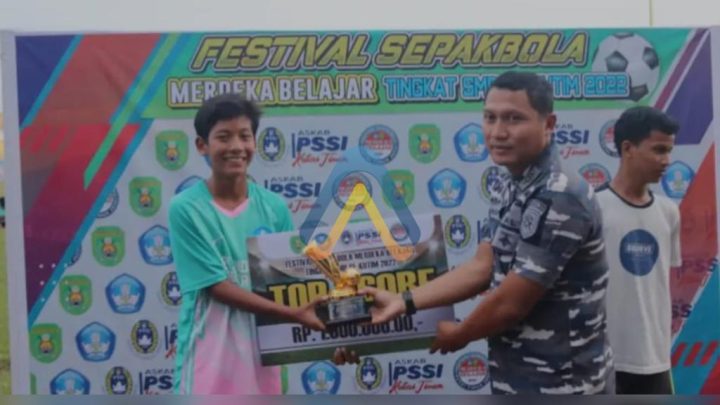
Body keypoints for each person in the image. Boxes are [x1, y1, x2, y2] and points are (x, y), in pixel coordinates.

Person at [335, 71, 613, 394]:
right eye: (490, 118)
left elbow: (511, 304)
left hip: (565, 385)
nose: (498, 132)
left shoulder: (560, 194)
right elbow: (482, 266)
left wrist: (459, 333)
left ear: (548, 124)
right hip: (518, 379)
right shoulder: (509, 182)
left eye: (514, 119)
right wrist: (402, 301)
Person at [168, 94, 325, 394]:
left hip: (265, 365)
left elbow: (289, 284)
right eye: (223, 137)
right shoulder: (186, 208)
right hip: (209, 366)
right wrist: (294, 315)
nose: (236, 147)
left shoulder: (274, 208)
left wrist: (337, 329)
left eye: (245, 136)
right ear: (202, 145)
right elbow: (216, 286)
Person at [596, 106, 681, 394]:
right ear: (628, 148)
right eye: (658, 150)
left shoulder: (669, 212)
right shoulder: (592, 209)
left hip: (655, 361)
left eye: (669, 151)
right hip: (603, 362)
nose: (666, 160)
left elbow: (659, 285)